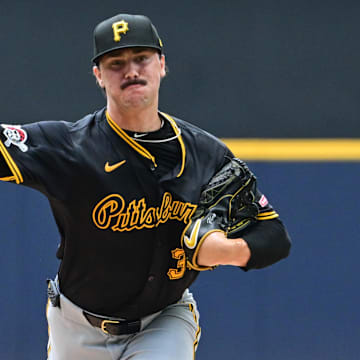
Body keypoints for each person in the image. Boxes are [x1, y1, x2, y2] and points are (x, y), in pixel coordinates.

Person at [0, 13, 291, 360]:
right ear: (98, 75)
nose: (131, 70)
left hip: (163, 320)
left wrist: (227, 251)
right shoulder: (69, 147)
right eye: (116, 62)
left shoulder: (205, 154)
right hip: (75, 326)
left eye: (141, 58)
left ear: (162, 65)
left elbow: (274, 234)